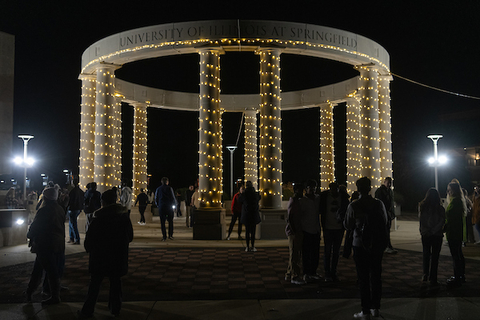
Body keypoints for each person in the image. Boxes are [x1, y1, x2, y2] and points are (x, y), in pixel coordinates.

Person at [78, 189, 134, 318]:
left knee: (95, 285)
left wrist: (89, 249)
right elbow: (129, 236)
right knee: (116, 283)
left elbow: (90, 239)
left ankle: (88, 310)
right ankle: (115, 309)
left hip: (100, 256)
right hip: (117, 256)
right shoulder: (123, 216)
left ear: (103, 202)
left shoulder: (98, 218)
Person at [345, 177, 388, 319]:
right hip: (376, 244)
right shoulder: (379, 204)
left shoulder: (354, 205)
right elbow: (385, 221)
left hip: (360, 244)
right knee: (376, 276)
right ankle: (376, 307)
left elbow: (348, 225)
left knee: (363, 278)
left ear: (358, 189)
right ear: (370, 188)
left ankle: (365, 311)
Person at [25, 186, 66, 305]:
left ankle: (53, 295)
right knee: (44, 269)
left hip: (45, 244)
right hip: (57, 243)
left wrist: (30, 234)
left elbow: (36, 226)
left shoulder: (44, 210)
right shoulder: (60, 208)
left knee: (46, 270)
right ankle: (31, 291)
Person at [320, 182, 349, 282]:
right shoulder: (324, 197)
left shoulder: (344, 198)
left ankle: (333, 272)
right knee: (327, 251)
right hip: (328, 228)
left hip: (339, 228)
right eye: (332, 190)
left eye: (336, 189)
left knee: (336, 252)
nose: (334, 192)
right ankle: (327, 273)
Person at [418, 188, 445, 285]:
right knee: (435, 257)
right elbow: (441, 221)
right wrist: (434, 230)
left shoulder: (423, 207)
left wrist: (426, 230)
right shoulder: (440, 208)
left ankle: (425, 274)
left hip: (426, 234)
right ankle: (433, 277)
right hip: (437, 234)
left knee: (426, 254)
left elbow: (422, 220)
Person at [444, 181, 467, 286]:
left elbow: (450, 218)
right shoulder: (458, 201)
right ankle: (461, 275)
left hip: (453, 233)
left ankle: (457, 277)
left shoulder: (454, 203)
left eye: (449, 189)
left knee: (456, 256)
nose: (448, 192)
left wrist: (444, 227)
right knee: (458, 255)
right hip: (457, 232)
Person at [299, 179, 322, 283]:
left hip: (316, 229)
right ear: (306, 189)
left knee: (315, 253)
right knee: (306, 254)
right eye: (310, 188)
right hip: (306, 230)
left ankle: (313, 272)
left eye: (314, 188)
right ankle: (306, 273)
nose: (313, 190)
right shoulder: (302, 201)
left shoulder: (318, 199)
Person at [285, 183, 305, 285]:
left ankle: (289, 273)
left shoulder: (296, 201)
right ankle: (294, 275)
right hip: (294, 232)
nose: (302, 192)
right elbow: (290, 219)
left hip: (296, 231)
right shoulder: (294, 202)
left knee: (294, 254)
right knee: (295, 255)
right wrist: (295, 231)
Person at [375, 177, 397, 254]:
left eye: (390, 183)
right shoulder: (380, 191)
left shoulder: (390, 191)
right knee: (384, 230)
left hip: (388, 214)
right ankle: (386, 246)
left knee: (387, 230)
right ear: (384, 182)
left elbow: (391, 202)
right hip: (383, 214)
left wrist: (392, 213)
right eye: (388, 183)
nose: (389, 184)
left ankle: (387, 245)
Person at [239, 181, 261, 252]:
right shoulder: (255, 194)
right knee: (253, 232)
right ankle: (253, 246)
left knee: (247, 231)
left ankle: (247, 246)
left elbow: (239, 200)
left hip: (246, 215)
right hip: (254, 214)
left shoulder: (244, 194)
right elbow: (259, 197)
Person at [67, 180, 85, 245]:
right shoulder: (81, 191)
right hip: (78, 208)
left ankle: (76, 239)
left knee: (73, 224)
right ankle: (72, 238)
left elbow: (70, 201)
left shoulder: (72, 191)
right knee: (71, 223)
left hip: (73, 209)